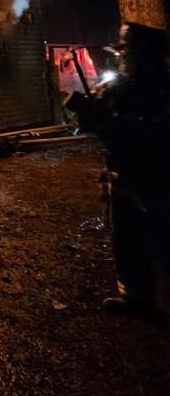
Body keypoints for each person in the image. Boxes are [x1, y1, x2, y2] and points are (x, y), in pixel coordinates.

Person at [66, 22, 170, 323]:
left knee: (161, 240)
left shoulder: (163, 88)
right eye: (123, 52)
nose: (124, 58)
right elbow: (93, 124)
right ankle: (135, 297)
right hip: (122, 176)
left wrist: (120, 128)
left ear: (150, 54)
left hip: (156, 180)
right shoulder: (117, 87)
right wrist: (89, 116)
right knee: (125, 238)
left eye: (130, 52)